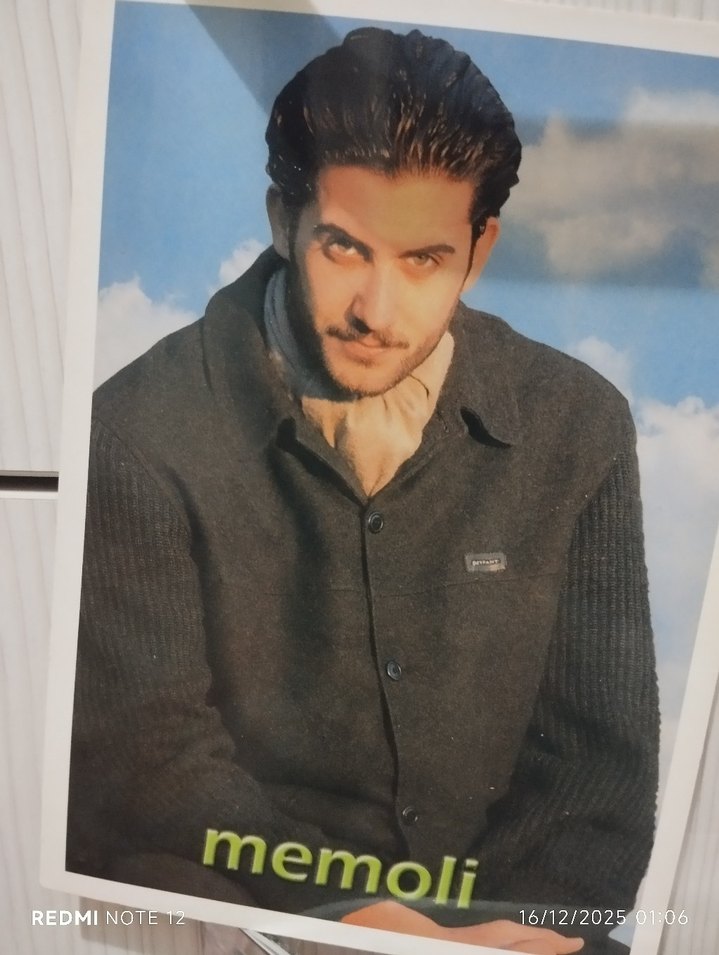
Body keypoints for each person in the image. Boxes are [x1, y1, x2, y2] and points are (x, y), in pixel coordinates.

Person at [67, 26, 659, 955]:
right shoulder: (134, 429)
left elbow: (600, 766)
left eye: (424, 259)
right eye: (343, 248)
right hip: (239, 909)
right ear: (282, 220)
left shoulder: (578, 423)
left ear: (479, 249)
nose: (377, 313)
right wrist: (340, 916)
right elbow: (150, 761)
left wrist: (516, 931)